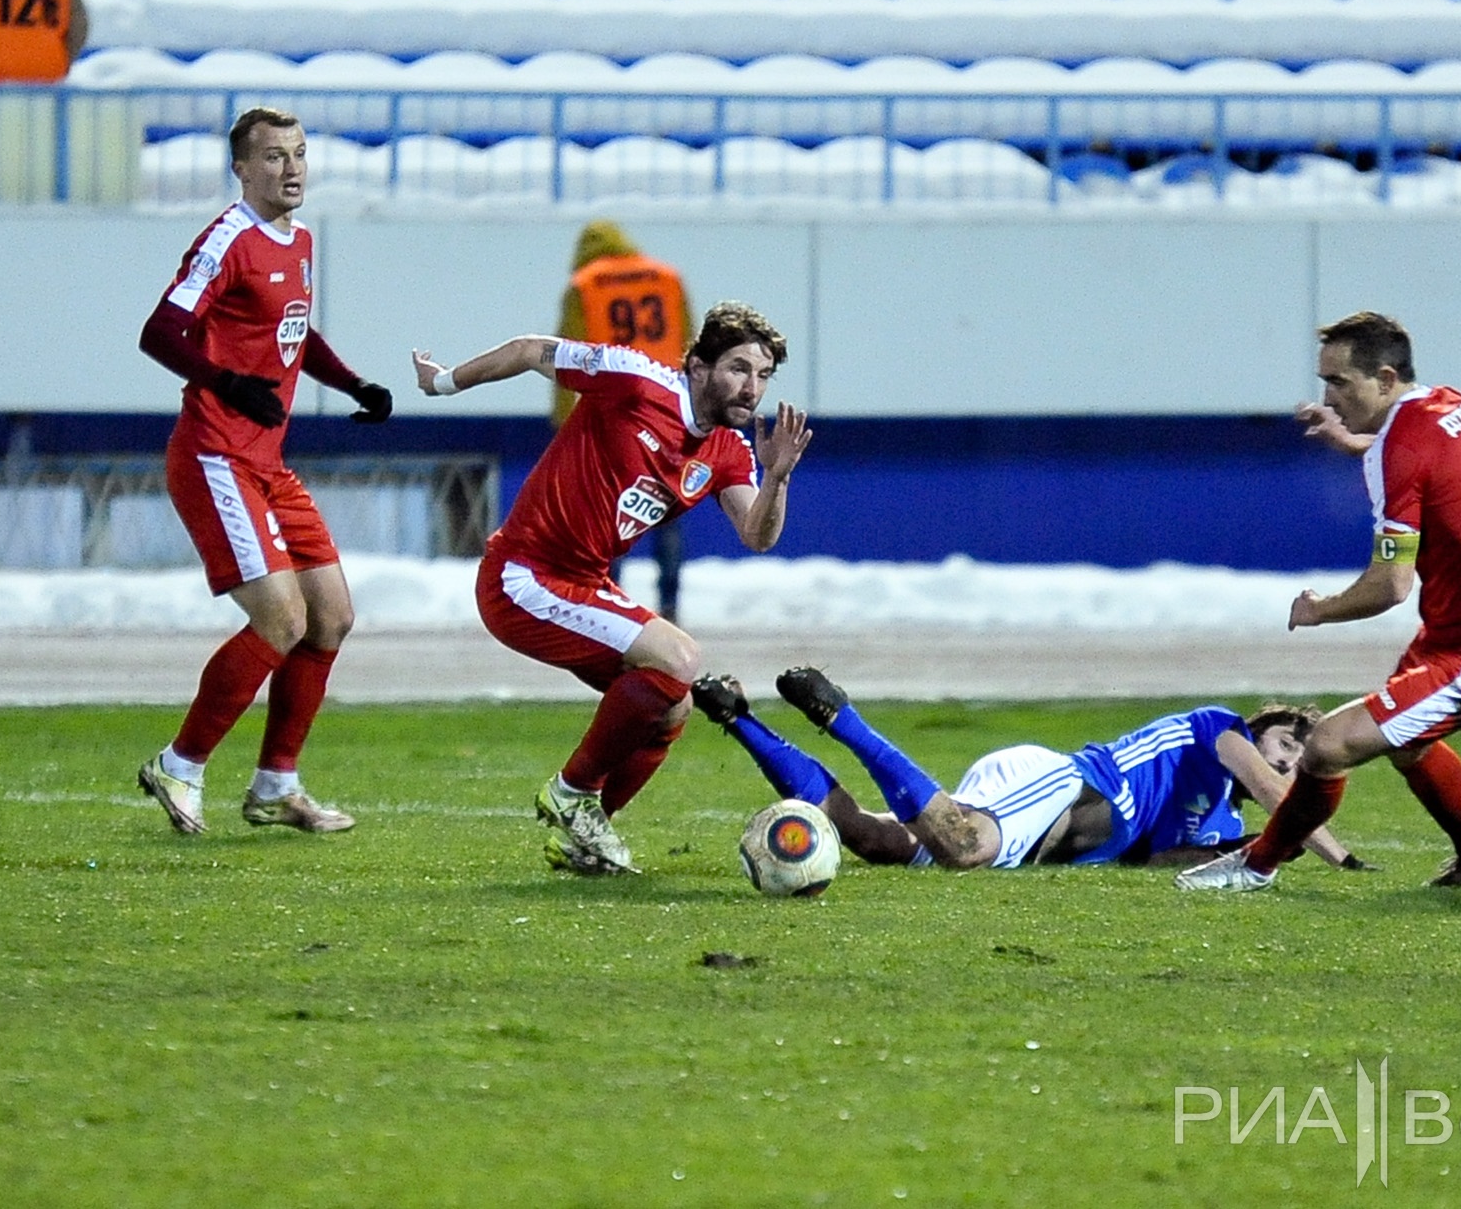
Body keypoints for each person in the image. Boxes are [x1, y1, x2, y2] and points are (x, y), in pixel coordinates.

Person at [412, 304, 811, 875]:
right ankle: (573, 792)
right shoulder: (634, 380)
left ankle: (585, 837)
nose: (753, 388)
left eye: (764, 375)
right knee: (681, 657)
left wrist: (777, 478)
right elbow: (530, 350)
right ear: (698, 367)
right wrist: (444, 382)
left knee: (674, 705)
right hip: (523, 575)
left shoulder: (728, 451)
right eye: (739, 369)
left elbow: (757, 534)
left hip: (581, 583)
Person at [1177, 310, 1461, 893]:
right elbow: (1424, 461)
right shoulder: (1446, 405)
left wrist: (1322, 609)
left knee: (1328, 744)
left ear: (1386, 378)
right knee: (1410, 745)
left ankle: (1255, 867)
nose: (1328, 396)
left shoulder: (1402, 447)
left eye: (1340, 383)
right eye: (1325, 381)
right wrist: (1356, 444)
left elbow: (1391, 586)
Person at [134, 106, 394, 837]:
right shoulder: (228, 238)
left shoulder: (299, 240)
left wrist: (353, 385)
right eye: (274, 156)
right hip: (215, 455)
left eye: (300, 154)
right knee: (282, 618)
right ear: (242, 169)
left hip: (267, 463)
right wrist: (223, 382)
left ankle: (277, 785)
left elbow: (292, 331)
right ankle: (179, 765)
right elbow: (160, 331)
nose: (292, 169)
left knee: (331, 616)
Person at [693, 667, 1363, 871]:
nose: (1290, 759)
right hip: (1064, 785)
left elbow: (1159, 862)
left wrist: (1249, 851)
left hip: (1052, 839)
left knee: (873, 841)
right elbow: (1282, 794)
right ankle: (842, 719)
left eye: (1302, 756)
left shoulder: (1220, 817)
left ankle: (736, 717)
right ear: (1261, 730)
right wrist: (1338, 854)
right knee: (966, 846)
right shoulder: (1221, 731)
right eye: (1287, 742)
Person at [555, 220, 694, 622]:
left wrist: (565, 424)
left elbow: (568, 362)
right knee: (666, 510)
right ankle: (670, 603)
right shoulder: (669, 279)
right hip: (666, 411)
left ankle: (609, 598)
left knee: (608, 515)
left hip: (610, 416)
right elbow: (693, 345)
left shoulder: (584, 285)